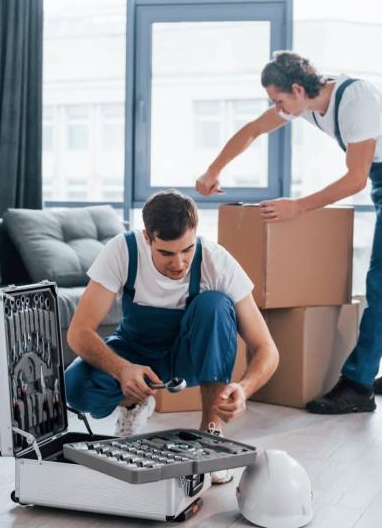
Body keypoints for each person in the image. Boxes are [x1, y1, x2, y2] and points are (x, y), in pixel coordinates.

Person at [196, 51, 382, 414]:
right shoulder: (304, 102)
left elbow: (355, 178)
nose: (277, 108)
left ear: (296, 88)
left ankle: (358, 385)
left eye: (278, 100)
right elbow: (252, 131)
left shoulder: (356, 102)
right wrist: (213, 170)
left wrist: (298, 207)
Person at [64, 190, 278, 482]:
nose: (178, 263)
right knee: (74, 387)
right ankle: (132, 404)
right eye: (166, 253)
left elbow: (267, 348)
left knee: (214, 304)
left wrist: (245, 387)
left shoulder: (216, 261)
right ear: (147, 238)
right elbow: (78, 332)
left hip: (188, 355)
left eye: (187, 250)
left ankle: (211, 439)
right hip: (135, 352)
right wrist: (121, 368)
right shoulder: (123, 251)